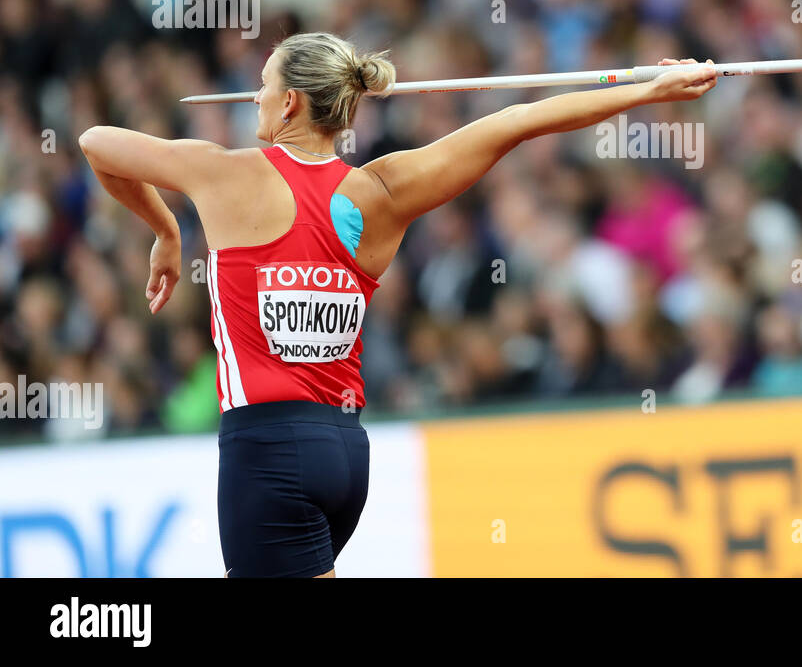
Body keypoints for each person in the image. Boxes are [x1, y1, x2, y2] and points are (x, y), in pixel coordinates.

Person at [78, 31, 716, 577]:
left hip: (266, 450)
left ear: (292, 101)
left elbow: (96, 142)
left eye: (263, 85)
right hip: (345, 453)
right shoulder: (383, 190)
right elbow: (519, 122)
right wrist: (649, 91)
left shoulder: (221, 171)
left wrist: (165, 230)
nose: (255, 96)